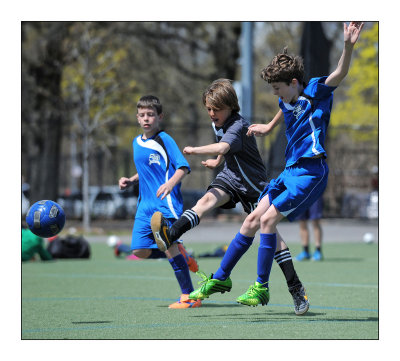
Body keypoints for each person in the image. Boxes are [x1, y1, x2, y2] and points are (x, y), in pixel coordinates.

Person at [185, 22, 364, 315]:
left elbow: (340, 74)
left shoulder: (315, 91)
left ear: (294, 82)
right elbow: (283, 107)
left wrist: (348, 45)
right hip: (290, 171)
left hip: (311, 173)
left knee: (267, 222)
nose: (275, 94)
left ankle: (261, 286)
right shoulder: (286, 97)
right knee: (250, 221)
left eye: (278, 88)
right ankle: (221, 278)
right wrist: (268, 127)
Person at [151, 78, 309, 315]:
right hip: (230, 177)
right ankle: (171, 235)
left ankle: (296, 288)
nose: (212, 113)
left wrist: (195, 150)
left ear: (230, 107)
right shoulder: (220, 123)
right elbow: (224, 151)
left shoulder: (236, 126)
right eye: (209, 109)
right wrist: (216, 162)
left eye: (217, 109)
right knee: (205, 202)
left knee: (273, 238)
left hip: (253, 186)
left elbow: (225, 147)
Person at [119, 95, 200, 309]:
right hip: (144, 205)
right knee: (139, 250)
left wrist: (170, 184)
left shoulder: (165, 139)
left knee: (169, 246)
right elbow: (147, 169)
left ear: (159, 117)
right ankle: (181, 253)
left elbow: (183, 167)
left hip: (166, 203)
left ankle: (189, 296)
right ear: (137, 118)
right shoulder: (136, 142)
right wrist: (131, 179)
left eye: (151, 115)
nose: (147, 119)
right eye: (142, 115)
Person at [294, 197, 324, 261]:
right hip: (301, 195)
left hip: (315, 194)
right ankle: (305, 252)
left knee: (315, 221)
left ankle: (318, 251)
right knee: (302, 222)